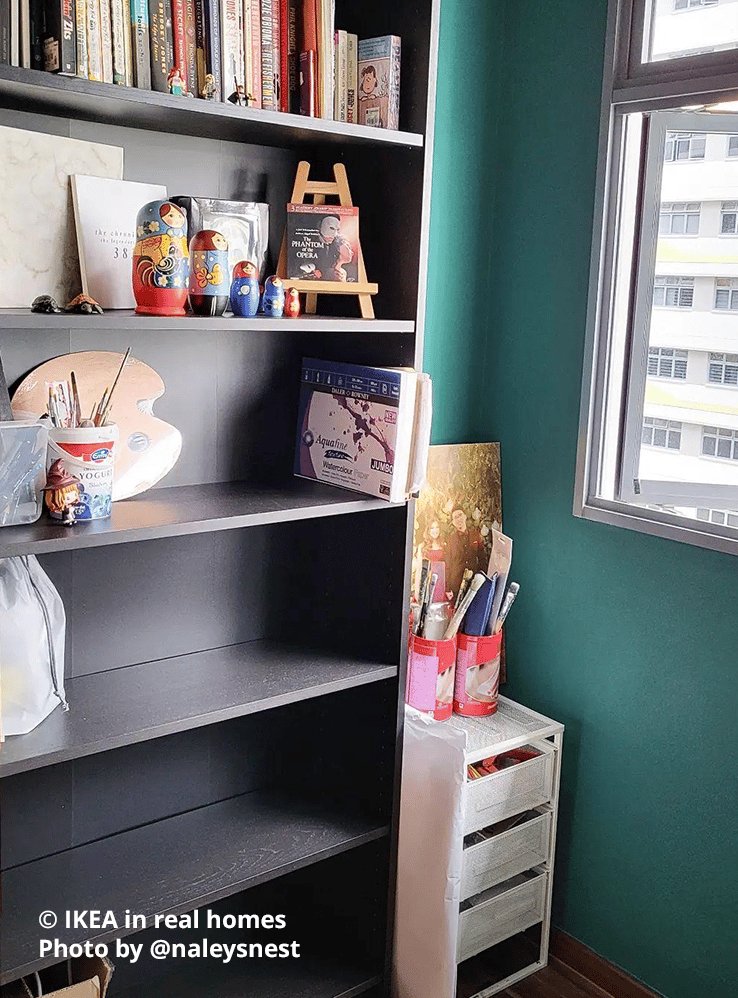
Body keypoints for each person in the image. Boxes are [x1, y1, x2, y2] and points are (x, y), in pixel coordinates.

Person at [445, 505, 486, 599]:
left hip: (473, 583)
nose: (458, 519)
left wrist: (483, 579)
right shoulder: (450, 540)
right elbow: (447, 564)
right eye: (455, 517)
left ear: (465, 516)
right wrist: (447, 588)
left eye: (460, 515)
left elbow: (482, 559)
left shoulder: (475, 535)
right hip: (456, 585)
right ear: (453, 522)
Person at [414, 516, 447, 601]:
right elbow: (419, 569)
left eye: (437, 527)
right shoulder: (422, 546)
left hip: (440, 582)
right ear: (428, 530)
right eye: (432, 528)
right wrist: (417, 590)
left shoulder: (444, 545)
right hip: (427, 581)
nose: (435, 530)